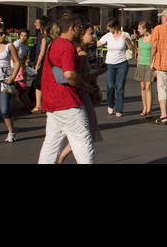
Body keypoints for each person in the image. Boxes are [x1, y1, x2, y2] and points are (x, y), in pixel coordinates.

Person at [36, 14, 97, 165]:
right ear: (72, 28)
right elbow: (69, 74)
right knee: (82, 142)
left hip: (52, 103)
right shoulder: (67, 46)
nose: (81, 31)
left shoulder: (53, 44)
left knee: (51, 144)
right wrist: (86, 87)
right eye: (80, 28)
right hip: (69, 102)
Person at [58, 24, 104, 163]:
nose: (93, 36)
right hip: (81, 95)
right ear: (82, 35)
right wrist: (99, 72)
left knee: (77, 132)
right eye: (91, 33)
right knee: (84, 133)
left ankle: (60, 158)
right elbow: (82, 77)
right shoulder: (81, 54)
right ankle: (61, 158)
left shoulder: (78, 51)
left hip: (75, 95)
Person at [97, 18, 134, 116]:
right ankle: (110, 104)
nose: (108, 29)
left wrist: (127, 41)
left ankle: (119, 109)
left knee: (120, 86)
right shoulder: (108, 36)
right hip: (110, 63)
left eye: (109, 28)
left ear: (115, 27)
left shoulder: (125, 34)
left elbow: (132, 48)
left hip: (122, 63)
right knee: (110, 86)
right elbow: (98, 43)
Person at [28, 20, 51, 112]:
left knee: (38, 85)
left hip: (43, 64)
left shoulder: (44, 39)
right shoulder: (53, 39)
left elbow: (41, 53)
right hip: (50, 64)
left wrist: (37, 64)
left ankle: (38, 105)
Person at [135, 22, 155, 119]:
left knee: (148, 87)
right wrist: (137, 64)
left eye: (140, 28)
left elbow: (155, 53)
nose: (138, 30)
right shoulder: (140, 40)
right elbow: (139, 53)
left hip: (149, 65)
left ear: (145, 29)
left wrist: (154, 66)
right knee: (142, 86)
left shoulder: (152, 39)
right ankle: (144, 107)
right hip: (141, 64)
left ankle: (149, 110)